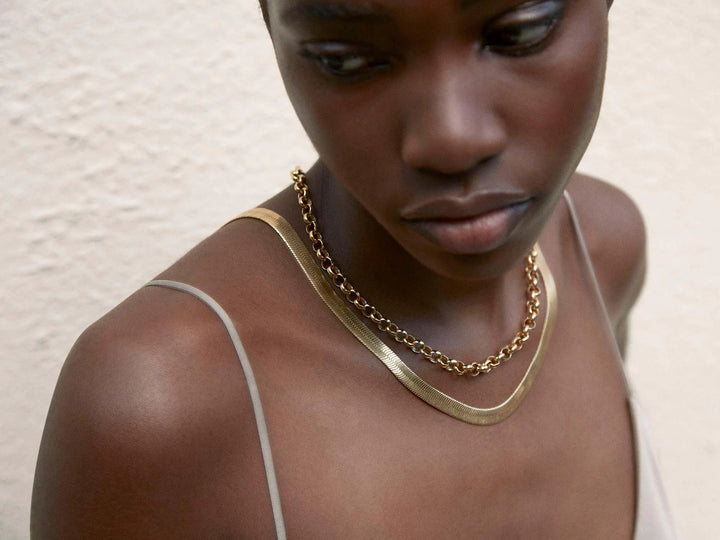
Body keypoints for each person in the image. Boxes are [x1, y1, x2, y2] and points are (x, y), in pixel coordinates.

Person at [31, 0, 675, 538]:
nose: (451, 139)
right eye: (346, 59)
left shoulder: (601, 250)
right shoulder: (161, 401)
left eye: (519, 32)